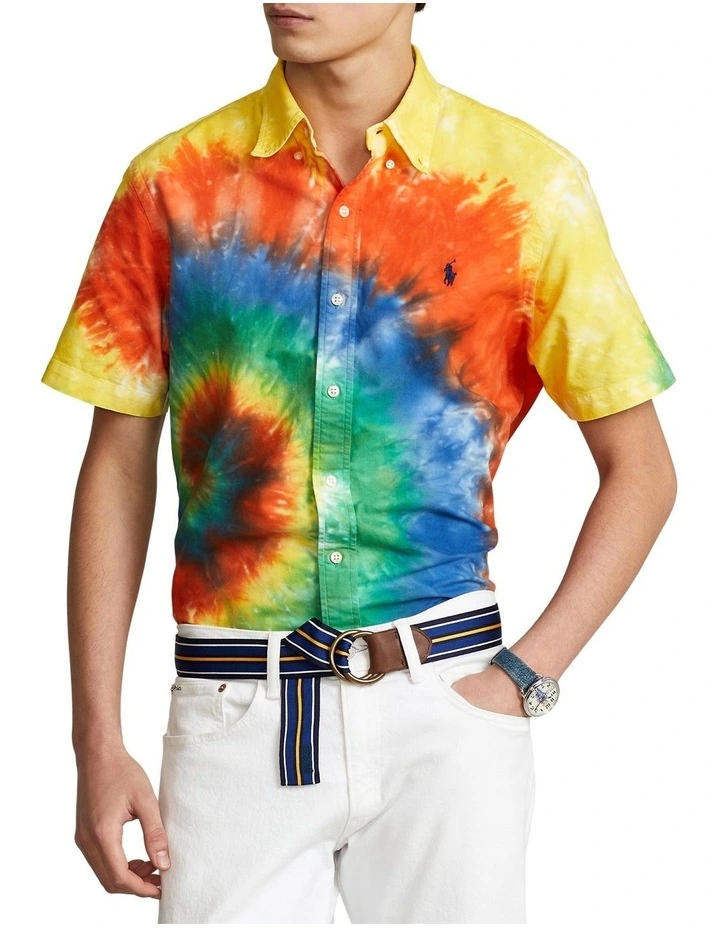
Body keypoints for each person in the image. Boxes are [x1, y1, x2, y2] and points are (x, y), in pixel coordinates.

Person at [40, 3, 677, 924]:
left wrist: (522, 679)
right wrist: (96, 740)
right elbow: (116, 464)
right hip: (234, 712)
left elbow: (642, 470)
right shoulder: (173, 182)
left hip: (448, 706)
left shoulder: (527, 186)